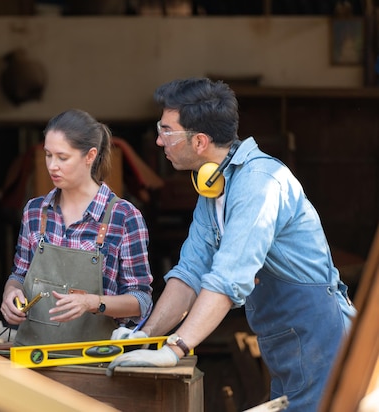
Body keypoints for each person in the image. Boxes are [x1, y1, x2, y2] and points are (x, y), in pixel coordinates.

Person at [107, 77, 356, 411]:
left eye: (166, 130)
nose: (157, 140)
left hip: (322, 345)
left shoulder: (260, 183)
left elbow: (229, 279)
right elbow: (191, 272)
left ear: (199, 141)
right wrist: (145, 334)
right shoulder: (215, 186)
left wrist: (176, 348)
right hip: (288, 348)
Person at [0, 109, 154, 346]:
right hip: (33, 356)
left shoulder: (124, 217)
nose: (52, 166)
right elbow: (19, 274)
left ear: (90, 156)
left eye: (63, 157)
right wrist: (11, 293)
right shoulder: (35, 211)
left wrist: (92, 303)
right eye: (48, 155)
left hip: (95, 360)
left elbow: (141, 300)